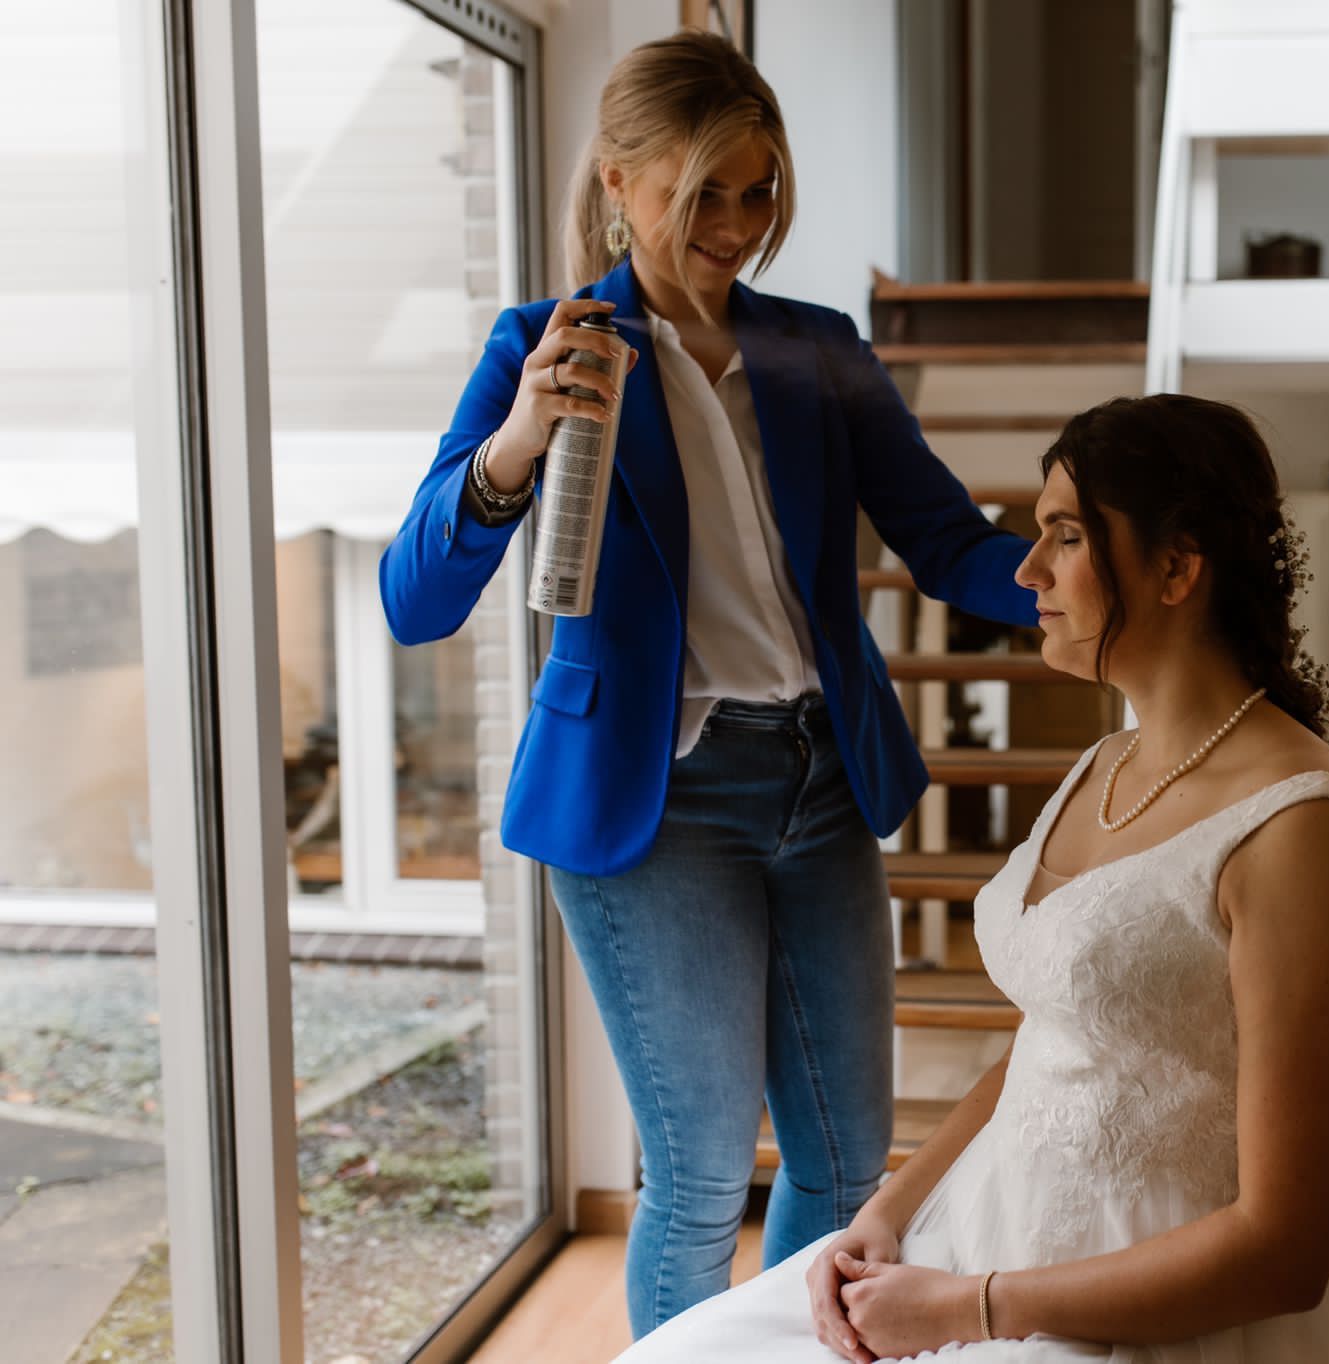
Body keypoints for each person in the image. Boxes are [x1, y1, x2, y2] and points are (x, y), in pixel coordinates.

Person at [378, 31, 1039, 1338]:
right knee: (694, 1182)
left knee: (843, 1165)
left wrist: (1090, 585)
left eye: (757, 192)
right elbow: (415, 599)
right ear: (618, 182)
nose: (736, 228)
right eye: (701, 197)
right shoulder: (542, 349)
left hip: (819, 779)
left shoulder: (816, 351)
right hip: (656, 801)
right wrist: (516, 442)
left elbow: (948, 542)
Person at [620, 394, 1329, 1362]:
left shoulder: (1304, 835)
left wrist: (967, 1309)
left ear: (1177, 567)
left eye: (1066, 537)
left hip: (1169, 1304)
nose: (1027, 569)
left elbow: (1283, 1252)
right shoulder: (1107, 764)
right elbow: (1060, 1035)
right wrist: (886, 1210)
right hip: (985, 1227)